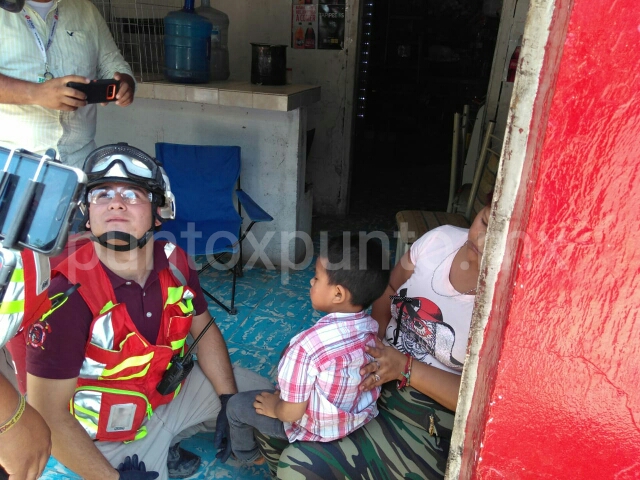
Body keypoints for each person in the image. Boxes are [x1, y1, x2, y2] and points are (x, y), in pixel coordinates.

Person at [23, 143, 272, 480]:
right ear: (86, 211)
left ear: (159, 212)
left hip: (167, 397)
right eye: (102, 194)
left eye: (132, 194)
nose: (115, 202)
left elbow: (204, 330)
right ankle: (152, 450)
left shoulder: (177, 263)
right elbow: (48, 414)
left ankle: (173, 437)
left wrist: (228, 400)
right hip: (110, 436)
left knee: (262, 401)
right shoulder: (67, 298)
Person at [255, 204, 492, 479]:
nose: (482, 239)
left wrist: (404, 367)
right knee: (266, 423)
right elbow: (389, 288)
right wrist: (371, 344)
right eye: (485, 222)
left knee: (297, 466)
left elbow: (484, 401)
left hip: (427, 412)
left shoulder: (514, 305)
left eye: (499, 233)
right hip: (376, 376)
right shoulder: (439, 240)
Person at [225, 235, 390, 465]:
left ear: (338, 294)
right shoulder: (371, 329)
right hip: (353, 419)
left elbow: (292, 413)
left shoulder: (306, 347)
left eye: (316, 277)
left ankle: (248, 455)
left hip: (315, 429)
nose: (311, 282)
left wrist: (277, 408)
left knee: (235, 407)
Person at [0, 0, 135, 168]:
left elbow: (113, 64)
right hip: (11, 163)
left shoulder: (86, 11)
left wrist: (125, 83)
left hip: (80, 164)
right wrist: (36, 93)